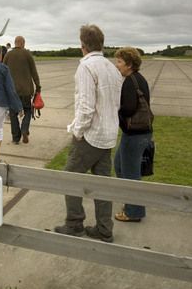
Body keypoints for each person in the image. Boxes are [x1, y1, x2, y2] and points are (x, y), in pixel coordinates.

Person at [54, 25, 122, 243]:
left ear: (82, 45)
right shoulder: (111, 68)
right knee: (103, 184)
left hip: (91, 135)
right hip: (108, 134)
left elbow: (86, 107)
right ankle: (104, 228)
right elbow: (115, 103)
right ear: (101, 44)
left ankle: (74, 223)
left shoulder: (86, 67)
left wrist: (77, 131)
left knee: (69, 178)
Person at [113, 47, 152, 223]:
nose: (117, 65)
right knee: (120, 166)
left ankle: (134, 212)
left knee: (130, 174)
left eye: (120, 62)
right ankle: (131, 203)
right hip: (137, 133)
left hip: (135, 134)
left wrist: (115, 109)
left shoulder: (130, 81)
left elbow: (129, 108)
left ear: (129, 64)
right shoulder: (138, 79)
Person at [3, 36, 41, 144]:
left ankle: (15, 138)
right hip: (26, 90)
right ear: (23, 43)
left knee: (13, 114)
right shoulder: (27, 54)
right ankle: (24, 129)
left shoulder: (8, 54)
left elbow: (3, 70)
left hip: (12, 90)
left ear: (15, 43)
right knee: (28, 110)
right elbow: (34, 72)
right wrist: (38, 86)